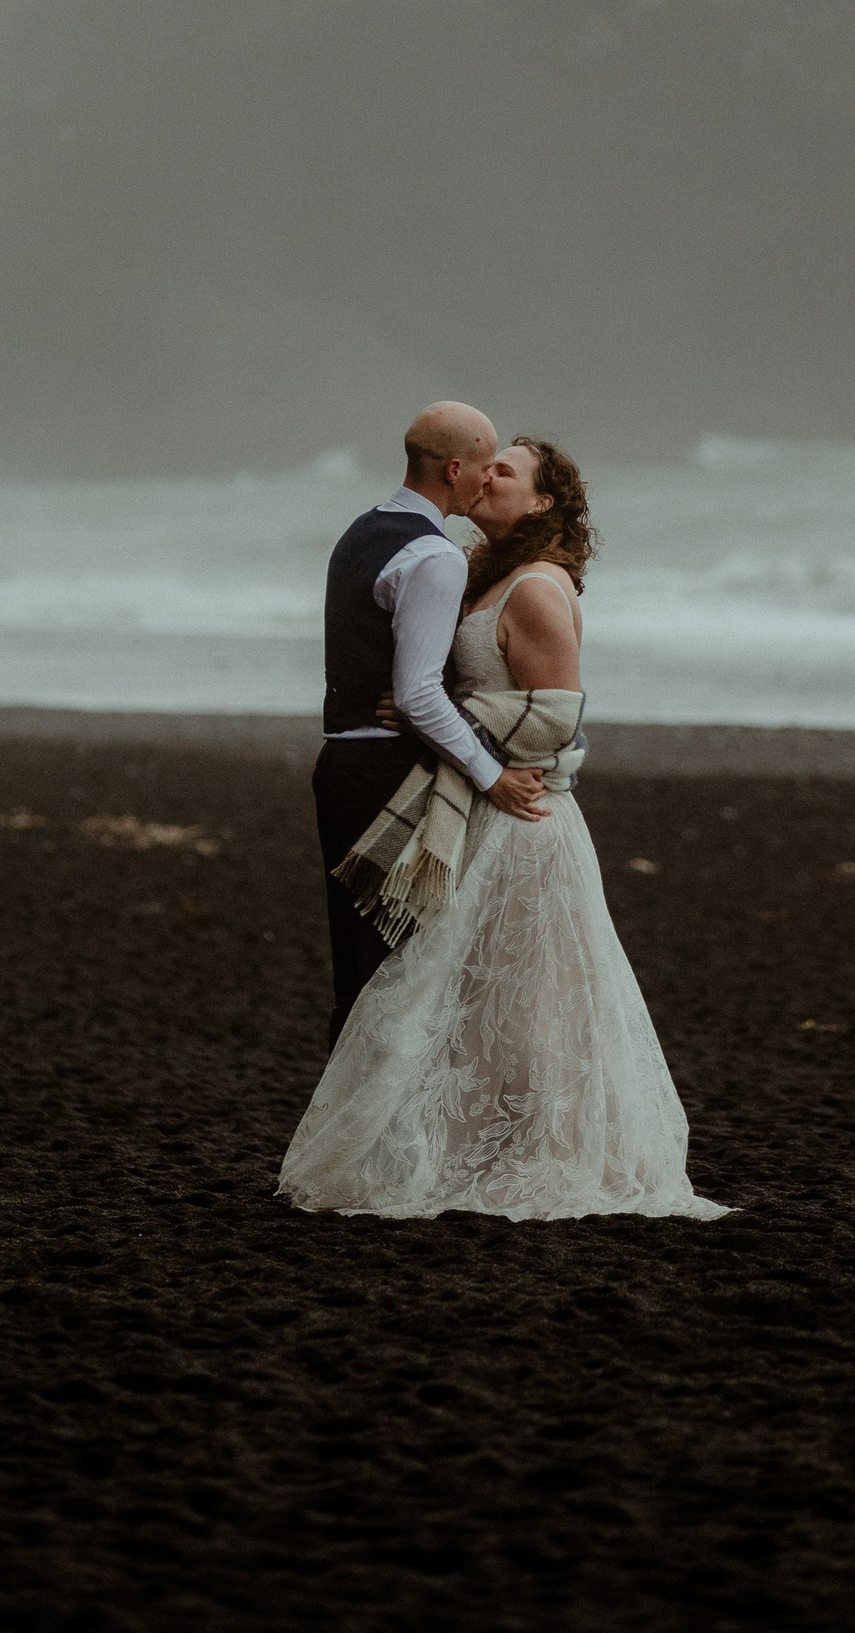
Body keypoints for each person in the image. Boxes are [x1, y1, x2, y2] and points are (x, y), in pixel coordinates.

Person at [280, 433, 726, 1221]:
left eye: (507, 471)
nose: (488, 477)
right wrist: (429, 710)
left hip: (525, 820)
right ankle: (472, 1145)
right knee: (481, 997)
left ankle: (547, 1155)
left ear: (543, 502)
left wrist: (433, 715)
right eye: (486, 465)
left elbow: (554, 723)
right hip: (486, 815)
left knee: (531, 1005)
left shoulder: (539, 590)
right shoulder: (486, 575)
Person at [309, 401, 552, 1049]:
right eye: (485, 466)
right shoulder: (436, 557)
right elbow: (417, 695)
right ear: (453, 470)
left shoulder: (361, 531)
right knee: (394, 978)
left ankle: (349, 1109)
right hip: (385, 774)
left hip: (340, 765)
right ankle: (369, 1113)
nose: (488, 479)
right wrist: (493, 775)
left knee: (359, 973)